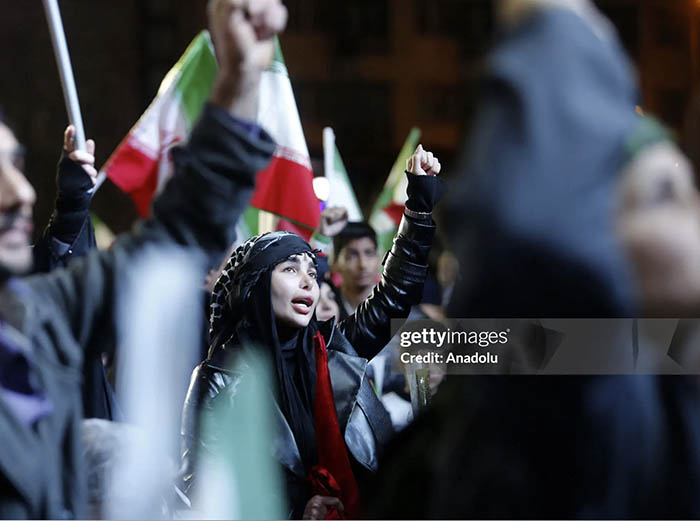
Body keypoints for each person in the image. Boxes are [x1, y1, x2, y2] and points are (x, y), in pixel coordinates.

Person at [367, 0, 700, 518]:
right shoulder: (609, 379)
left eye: (684, 193)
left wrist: (553, 27)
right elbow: (522, 295)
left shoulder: (664, 368)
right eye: (662, 196)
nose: (693, 215)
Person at [0, 0, 286, 517]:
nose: (21, 192)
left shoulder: (29, 321)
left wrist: (240, 78)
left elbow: (174, 243)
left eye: (16, 166)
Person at [180, 145, 444, 519]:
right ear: (255, 285)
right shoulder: (218, 379)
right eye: (290, 269)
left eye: (311, 270)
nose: (308, 281)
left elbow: (394, 295)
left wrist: (418, 205)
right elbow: (202, 493)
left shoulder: (334, 348)